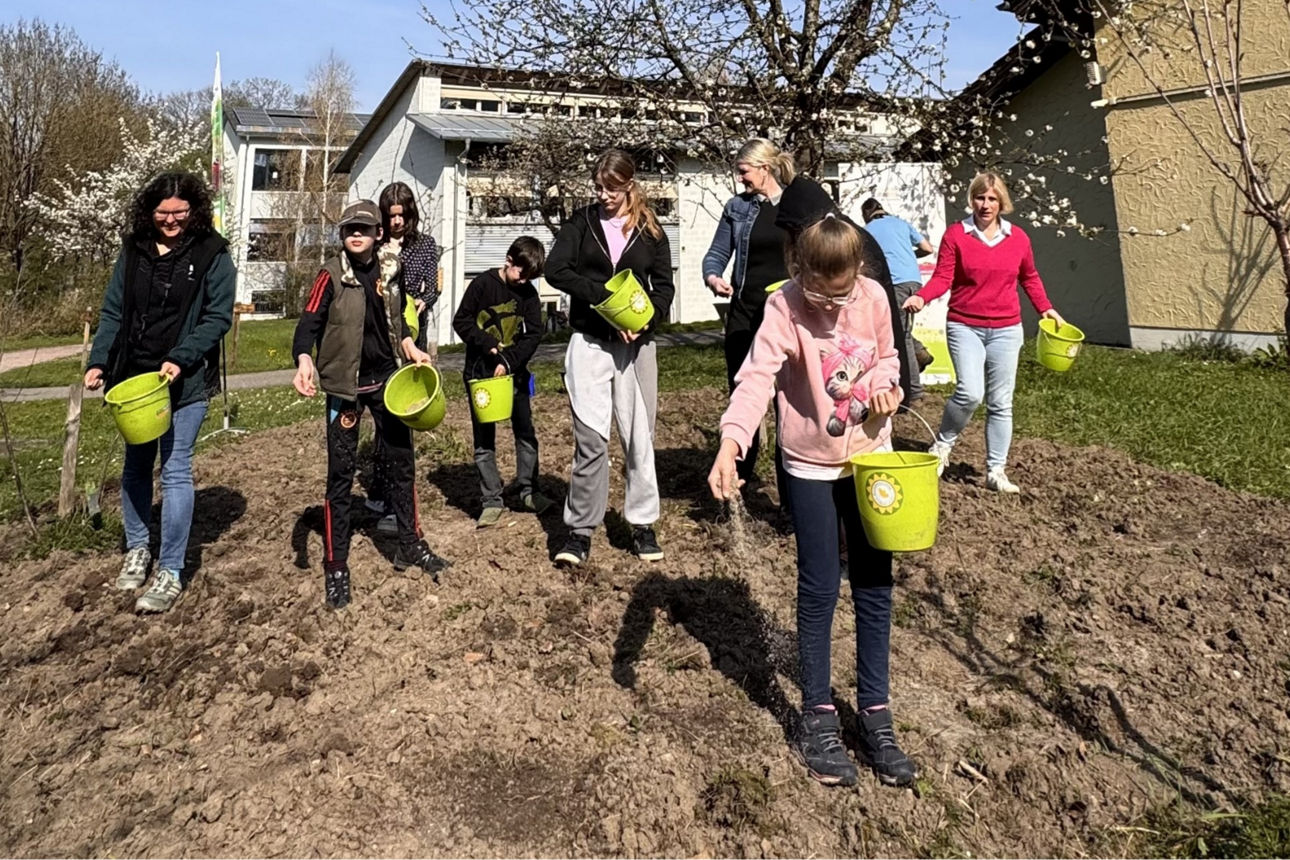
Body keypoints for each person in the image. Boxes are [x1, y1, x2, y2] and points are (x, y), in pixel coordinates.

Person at [707, 213, 916, 789]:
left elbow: (887, 361)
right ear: (802, 273)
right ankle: (817, 715)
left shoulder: (874, 297)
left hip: (871, 459)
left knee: (875, 581)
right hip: (810, 466)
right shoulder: (784, 307)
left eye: (843, 291)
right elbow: (755, 379)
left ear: (858, 273)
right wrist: (732, 443)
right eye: (823, 294)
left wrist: (884, 391)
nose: (833, 305)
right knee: (820, 584)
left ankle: (875, 712)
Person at [84, 171, 235, 614]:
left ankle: (170, 569)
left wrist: (182, 356)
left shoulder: (212, 253)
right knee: (135, 467)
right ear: (148, 213)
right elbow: (113, 311)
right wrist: (98, 361)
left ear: (194, 211)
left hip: (183, 381)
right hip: (134, 379)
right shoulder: (133, 251)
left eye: (180, 213)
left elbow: (217, 317)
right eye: (162, 213)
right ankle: (137, 548)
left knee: (174, 469)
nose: (171, 221)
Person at [291, 199, 447, 610]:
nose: (356, 235)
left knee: (402, 465)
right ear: (342, 236)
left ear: (378, 233)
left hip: (387, 383)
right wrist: (304, 358)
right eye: (348, 230)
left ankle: (410, 544)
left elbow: (401, 318)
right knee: (340, 476)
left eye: (364, 228)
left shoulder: (390, 273)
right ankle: (336, 563)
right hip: (345, 388)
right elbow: (308, 323)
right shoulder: (330, 275)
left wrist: (410, 344)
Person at [544, 149, 675, 567]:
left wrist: (644, 321)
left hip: (637, 347)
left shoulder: (652, 231)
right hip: (590, 342)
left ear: (629, 186)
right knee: (590, 439)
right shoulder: (581, 223)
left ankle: (642, 524)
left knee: (639, 438)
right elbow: (556, 270)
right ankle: (580, 531)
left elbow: (664, 286)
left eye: (612, 189)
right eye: (598, 188)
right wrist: (606, 301)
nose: (603, 196)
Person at [902, 171, 1066, 493]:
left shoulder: (1017, 238)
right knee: (970, 392)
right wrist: (922, 296)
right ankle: (943, 445)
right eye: (980, 197)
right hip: (965, 325)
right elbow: (943, 277)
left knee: (1001, 402)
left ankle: (996, 471)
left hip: (1007, 329)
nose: (985, 204)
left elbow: (1029, 277)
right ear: (972, 200)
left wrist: (1045, 308)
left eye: (992, 199)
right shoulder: (956, 235)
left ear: (1002, 202)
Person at [701, 138, 794, 495]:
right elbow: (716, 254)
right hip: (744, 312)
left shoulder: (794, 206)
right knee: (743, 395)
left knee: (789, 401)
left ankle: (792, 487)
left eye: (743, 171)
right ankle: (739, 477)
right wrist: (713, 277)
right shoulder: (736, 208)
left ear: (764, 168)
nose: (740, 179)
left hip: (786, 315)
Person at [452, 236, 554, 527]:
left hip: (515, 376)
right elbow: (462, 321)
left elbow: (534, 334)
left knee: (525, 432)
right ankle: (491, 499)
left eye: (531, 277)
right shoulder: (482, 285)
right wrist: (488, 345)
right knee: (484, 439)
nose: (524, 281)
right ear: (509, 260)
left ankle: (528, 491)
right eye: (522, 273)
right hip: (479, 375)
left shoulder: (529, 296)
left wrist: (509, 360)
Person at [365, 183, 442, 532]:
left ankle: (400, 494)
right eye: (391, 215)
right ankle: (380, 489)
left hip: (412, 333)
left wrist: (423, 300)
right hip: (381, 334)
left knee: (401, 412)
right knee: (382, 417)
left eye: (402, 215)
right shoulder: (375, 246)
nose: (396, 221)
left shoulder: (424, 245)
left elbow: (431, 285)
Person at [860, 197, 936, 403]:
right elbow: (928, 248)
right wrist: (910, 256)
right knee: (900, 330)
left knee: (901, 336)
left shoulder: (868, 230)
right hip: (914, 282)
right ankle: (919, 353)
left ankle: (914, 391)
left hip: (894, 284)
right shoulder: (901, 223)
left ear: (866, 215)